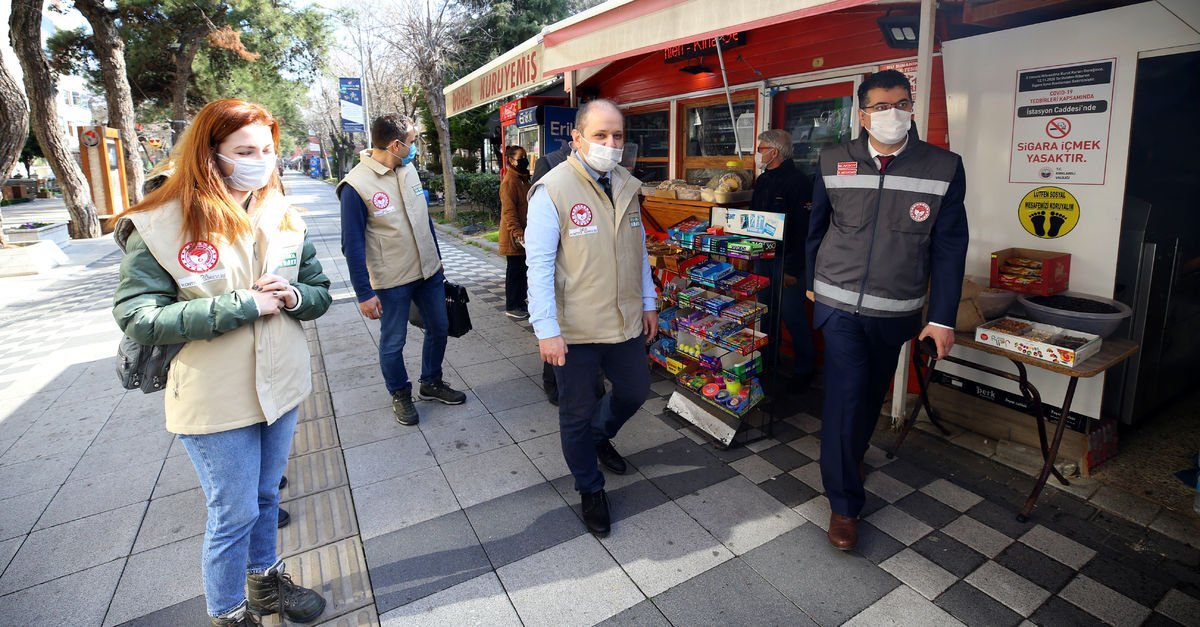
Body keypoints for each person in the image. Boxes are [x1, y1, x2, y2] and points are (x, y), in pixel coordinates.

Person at [111, 99, 332, 626]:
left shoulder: (280, 211)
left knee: (264, 495)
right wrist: (239, 305)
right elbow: (137, 315)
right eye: (245, 151)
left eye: (268, 149)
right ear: (211, 155)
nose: (261, 160)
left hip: (281, 385)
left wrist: (296, 295)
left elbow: (320, 292)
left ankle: (265, 583)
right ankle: (229, 613)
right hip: (215, 395)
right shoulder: (164, 222)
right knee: (232, 511)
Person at [806, 69, 968, 551]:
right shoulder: (834, 159)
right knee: (846, 395)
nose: (890, 114)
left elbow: (950, 246)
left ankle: (851, 455)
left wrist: (941, 317)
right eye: (879, 106)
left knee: (870, 393)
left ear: (912, 108)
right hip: (837, 303)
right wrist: (813, 281)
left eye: (900, 104)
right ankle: (844, 504)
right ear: (862, 114)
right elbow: (816, 225)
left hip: (896, 311)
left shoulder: (943, 166)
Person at [525, 99, 658, 536]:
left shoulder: (626, 183)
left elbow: (637, 252)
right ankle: (590, 486)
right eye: (600, 135)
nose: (611, 144)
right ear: (577, 139)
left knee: (635, 391)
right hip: (575, 328)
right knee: (575, 414)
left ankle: (600, 437)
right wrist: (546, 329)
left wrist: (649, 300)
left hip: (623, 321)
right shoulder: (553, 189)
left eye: (617, 135)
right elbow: (539, 264)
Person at [337, 114, 466, 426]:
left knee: (439, 326)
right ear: (395, 144)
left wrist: (437, 258)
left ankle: (430, 382)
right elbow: (351, 244)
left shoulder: (408, 171)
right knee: (393, 341)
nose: (414, 148)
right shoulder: (355, 186)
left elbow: (423, 218)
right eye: (411, 142)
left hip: (428, 273)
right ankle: (400, 393)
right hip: (391, 280)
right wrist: (364, 293)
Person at [750, 129, 815, 386]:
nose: (758, 154)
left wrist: (793, 269)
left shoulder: (799, 182)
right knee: (764, 313)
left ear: (774, 152)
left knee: (793, 316)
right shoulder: (764, 180)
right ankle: (766, 364)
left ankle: (804, 371)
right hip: (762, 258)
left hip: (787, 262)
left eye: (761, 148)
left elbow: (804, 231)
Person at [499, 145, 532, 319]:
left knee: (521, 270)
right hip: (515, 235)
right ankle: (513, 305)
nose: (524, 160)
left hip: (523, 233)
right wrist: (518, 233)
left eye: (525, 157)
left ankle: (520, 302)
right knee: (515, 270)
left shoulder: (522, 179)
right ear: (511, 160)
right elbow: (509, 211)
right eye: (521, 158)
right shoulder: (510, 182)